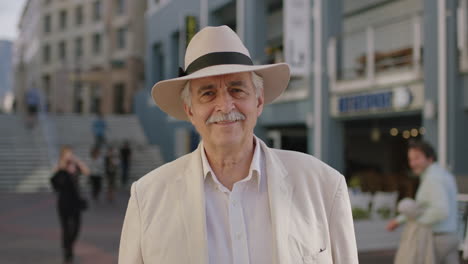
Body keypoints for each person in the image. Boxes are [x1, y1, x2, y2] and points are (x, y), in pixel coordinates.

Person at [119, 26, 358, 264]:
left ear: (259, 101)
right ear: (190, 110)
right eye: (208, 93)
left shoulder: (324, 185)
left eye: (237, 90)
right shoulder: (147, 198)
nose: (225, 105)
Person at [387, 140, 459, 264]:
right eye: (410, 159)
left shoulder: (432, 179)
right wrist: (399, 220)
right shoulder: (444, 174)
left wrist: (416, 222)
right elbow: (422, 208)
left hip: (437, 238)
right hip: (451, 235)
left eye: (417, 158)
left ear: (430, 158)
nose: (412, 163)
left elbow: (440, 211)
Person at [50, 145, 89, 264]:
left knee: (77, 227)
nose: (70, 156)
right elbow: (53, 179)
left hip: (76, 201)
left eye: (71, 153)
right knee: (66, 228)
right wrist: (61, 166)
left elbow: (87, 172)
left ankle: (68, 246)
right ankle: (68, 252)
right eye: (67, 153)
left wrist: (77, 162)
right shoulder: (60, 167)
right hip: (64, 202)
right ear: (63, 155)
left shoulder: (75, 166)